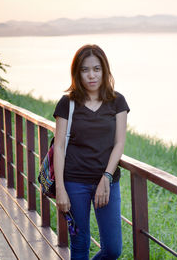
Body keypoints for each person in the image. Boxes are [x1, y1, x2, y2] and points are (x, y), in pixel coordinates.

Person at [53, 44, 129, 260]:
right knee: (80, 244)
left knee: (113, 249)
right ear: (77, 72)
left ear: (104, 70)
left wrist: (106, 176)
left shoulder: (117, 102)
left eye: (96, 68)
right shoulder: (67, 103)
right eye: (85, 70)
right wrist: (60, 189)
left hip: (107, 183)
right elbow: (58, 146)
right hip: (74, 182)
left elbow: (119, 143)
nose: (91, 75)